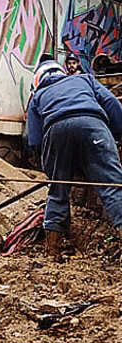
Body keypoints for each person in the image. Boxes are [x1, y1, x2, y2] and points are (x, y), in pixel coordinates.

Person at [27, 57, 122, 260]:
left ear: (38, 80)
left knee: (57, 190)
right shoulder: (84, 80)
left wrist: (51, 163)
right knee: (113, 187)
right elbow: (113, 105)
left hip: (56, 131)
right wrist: (115, 135)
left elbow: (34, 139)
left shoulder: (38, 96)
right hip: (93, 125)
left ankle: (52, 251)